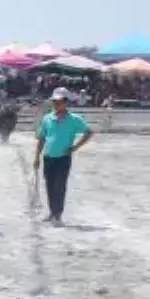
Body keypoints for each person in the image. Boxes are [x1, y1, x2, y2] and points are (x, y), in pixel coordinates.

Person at [33, 87, 94, 225]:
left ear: (66, 102)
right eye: (54, 101)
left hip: (63, 158)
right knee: (49, 185)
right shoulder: (47, 118)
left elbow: (89, 132)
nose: (56, 104)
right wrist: (36, 157)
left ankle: (58, 214)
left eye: (59, 101)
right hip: (48, 157)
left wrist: (75, 147)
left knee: (60, 186)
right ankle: (52, 212)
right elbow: (42, 139)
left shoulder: (74, 119)